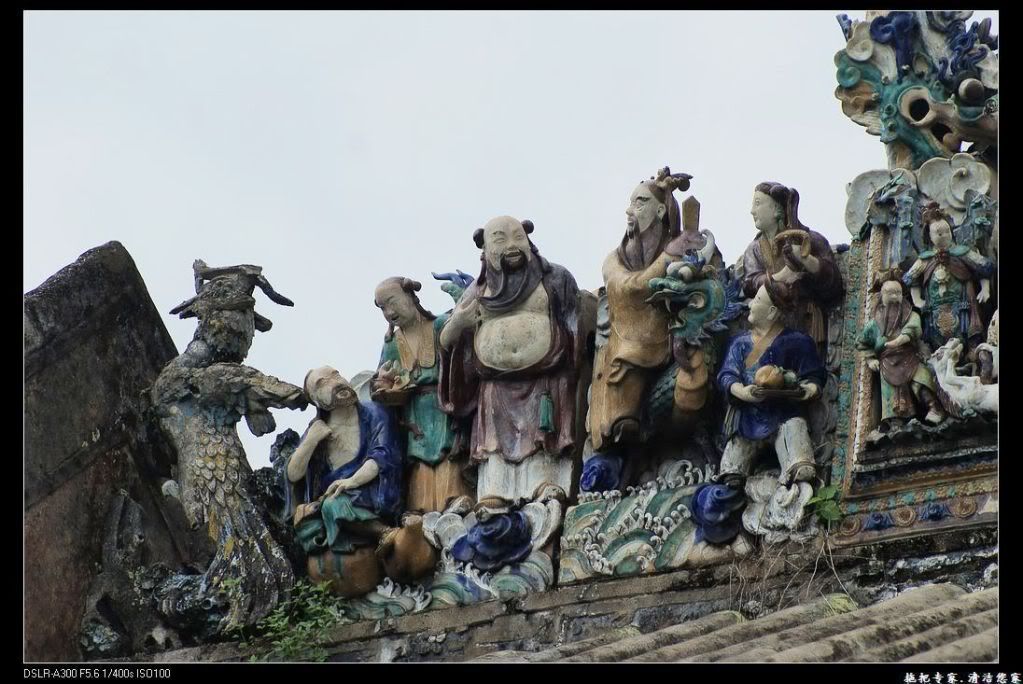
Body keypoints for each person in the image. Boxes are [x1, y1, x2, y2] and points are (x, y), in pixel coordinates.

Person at [438, 216, 580, 505]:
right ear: (485, 248)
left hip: (544, 381)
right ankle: (496, 492)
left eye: (518, 237)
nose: (512, 245)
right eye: (500, 240)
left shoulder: (555, 278)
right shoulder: (477, 291)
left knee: (542, 439)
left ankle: (545, 484)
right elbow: (446, 341)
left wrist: (564, 354)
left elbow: (575, 324)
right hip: (495, 386)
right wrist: (459, 322)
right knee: (495, 448)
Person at [372, 276, 473, 515]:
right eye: (382, 307)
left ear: (410, 296)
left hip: (444, 404)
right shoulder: (391, 344)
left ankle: (456, 499)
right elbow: (379, 381)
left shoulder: (439, 325)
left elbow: (464, 344)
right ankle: (422, 509)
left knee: (449, 452)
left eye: (392, 302)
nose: (389, 312)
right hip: (414, 414)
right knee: (418, 460)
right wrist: (384, 383)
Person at [285, 367, 402, 566]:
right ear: (317, 401)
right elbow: (293, 475)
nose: (335, 381)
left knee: (333, 505)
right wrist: (310, 441)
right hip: (332, 495)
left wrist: (351, 481)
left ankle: (384, 532)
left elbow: (383, 455)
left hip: (373, 489)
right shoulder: (317, 429)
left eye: (336, 374)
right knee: (309, 519)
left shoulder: (375, 412)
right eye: (322, 383)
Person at [716, 282, 827, 488]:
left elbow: (814, 377)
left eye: (757, 300)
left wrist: (806, 390)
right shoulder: (739, 343)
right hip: (748, 420)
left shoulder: (798, 342)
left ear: (772, 312)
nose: (750, 304)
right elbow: (727, 376)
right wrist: (743, 392)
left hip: (785, 416)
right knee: (730, 478)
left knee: (803, 471)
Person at [741, 182, 843, 356]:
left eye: (758, 204)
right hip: (770, 322)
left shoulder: (811, 240)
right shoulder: (754, 249)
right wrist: (779, 277)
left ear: (777, 210)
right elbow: (749, 284)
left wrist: (807, 260)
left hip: (805, 318)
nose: (752, 211)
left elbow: (834, 285)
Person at [903, 203, 994, 354]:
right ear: (929, 236)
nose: (944, 235)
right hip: (934, 309)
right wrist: (917, 299)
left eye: (947, 231)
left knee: (966, 334)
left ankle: (969, 354)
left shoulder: (962, 252)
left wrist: (985, 289)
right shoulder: (925, 259)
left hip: (962, 304)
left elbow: (984, 267)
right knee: (936, 340)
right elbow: (910, 278)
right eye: (939, 233)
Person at [856, 276, 945, 429]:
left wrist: (901, 339)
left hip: (909, 355)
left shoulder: (910, 315)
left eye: (897, 293)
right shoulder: (874, 324)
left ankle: (934, 408)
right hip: (887, 361)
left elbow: (914, 327)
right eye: (889, 293)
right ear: (882, 295)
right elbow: (861, 342)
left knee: (921, 380)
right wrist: (871, 359)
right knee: (890, 392)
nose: (893, 296)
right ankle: (896, 422)